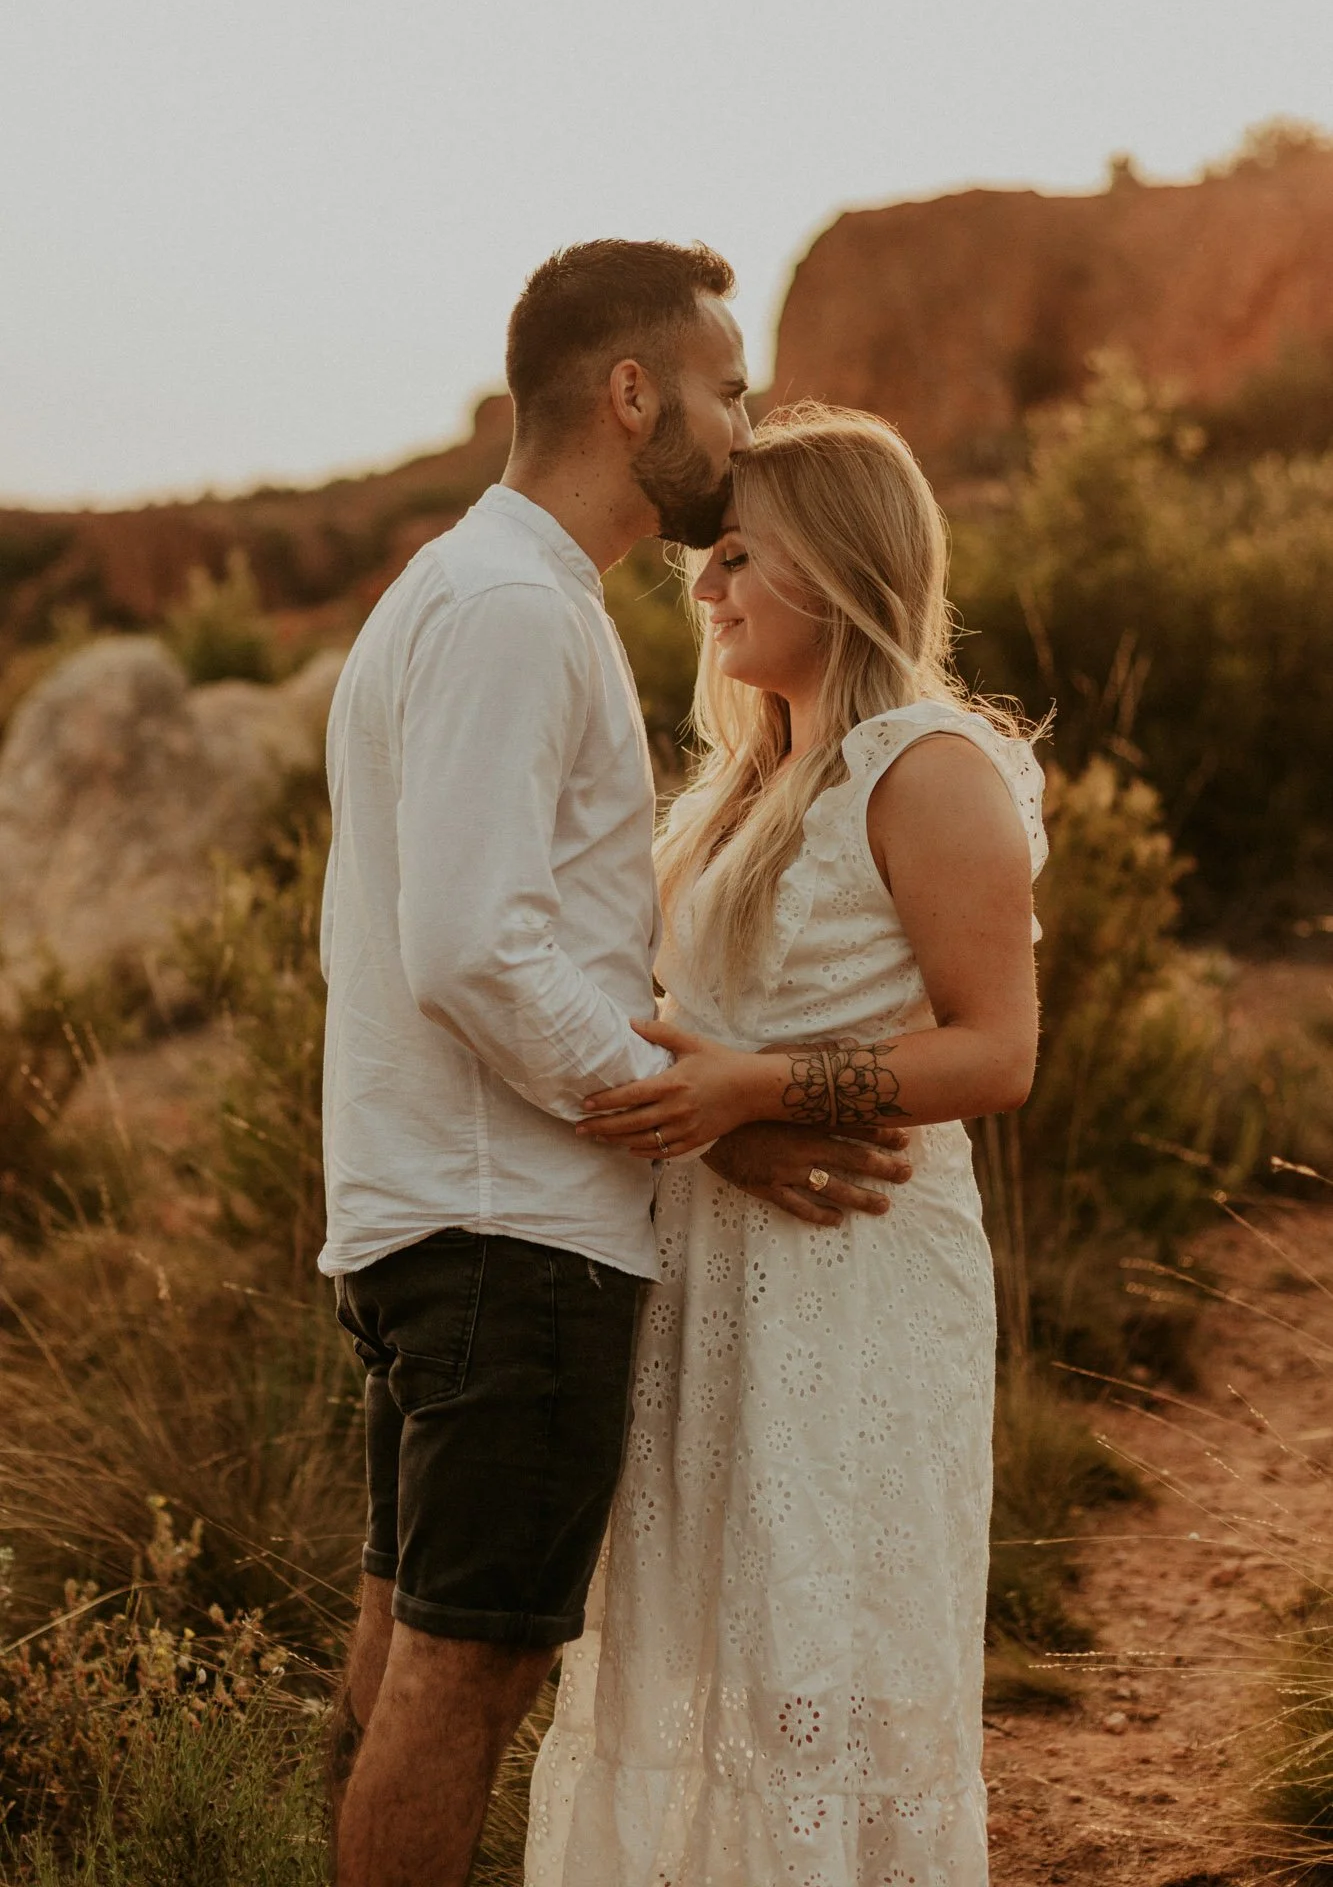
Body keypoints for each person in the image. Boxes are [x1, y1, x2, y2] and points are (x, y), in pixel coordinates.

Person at [318, 247, 912, 1887]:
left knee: (403, 1655)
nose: (735, 427)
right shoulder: (518, 607)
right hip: (508, 1233)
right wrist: (683, 1122)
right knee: (469, 1669)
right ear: (628, 392)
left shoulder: (458, 590)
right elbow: (470, 948)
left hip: (427, 1206)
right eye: (722, 389)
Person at [525, 403, 1048, 1887]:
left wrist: (755, 1092)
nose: (705, 589)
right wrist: (721, 1110)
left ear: (840, 561)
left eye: (740, 555)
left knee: (829, 1650)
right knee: (703, 1649)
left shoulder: (926, 765)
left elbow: (996, 1048)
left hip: (859, 1278)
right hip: (710, 1274)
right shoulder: (738, 785)